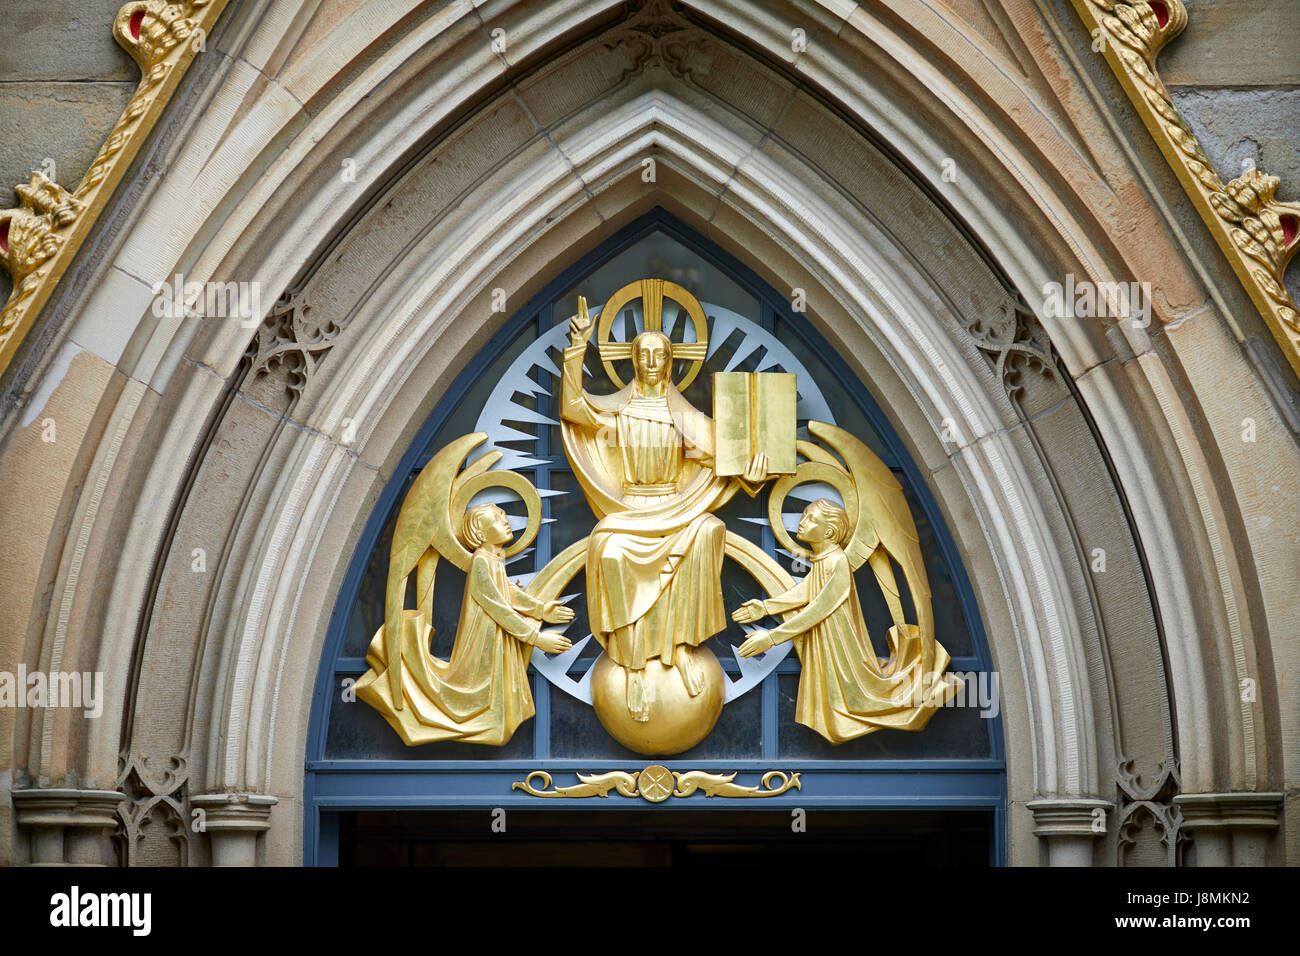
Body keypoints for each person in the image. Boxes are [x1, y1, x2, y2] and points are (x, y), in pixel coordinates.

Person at [561, 299, 768, 721]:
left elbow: (730, 461)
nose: (652, 362)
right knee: (611, 552)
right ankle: (633, 667)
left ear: (670, 363)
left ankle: (680, 647)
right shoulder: (619, 413)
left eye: (660, 354)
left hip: (676, 508)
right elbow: (574, 409)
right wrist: (577, 349)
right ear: (634, 362)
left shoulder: (684, 419)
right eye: (644, 354)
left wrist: (755, 472)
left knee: (708, 530)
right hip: (630, 510)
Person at [733, 498, 958, 742]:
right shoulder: (824, 559)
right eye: (804, 515)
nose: (802, 521)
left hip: (841, 646)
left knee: (859, 693)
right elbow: (808, 592)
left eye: (811, 518)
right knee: (834, 694)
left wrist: (772, 637)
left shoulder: (837, 561)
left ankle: (915, 696)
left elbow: (820, 607)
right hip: (828, 642)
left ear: (829, 532)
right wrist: (765, 608)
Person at [356, 503, 572, 745]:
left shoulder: (494, 559)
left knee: (496, 696)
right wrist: (537, 638)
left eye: (504, 515)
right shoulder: (481, 561)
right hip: (482, 647)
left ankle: (493, 727)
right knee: (479, 694)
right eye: (497, 518)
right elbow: (497, 607)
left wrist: (541, 609)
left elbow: (506, 593)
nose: (506, 521)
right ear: (480, 534)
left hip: (495, 642)